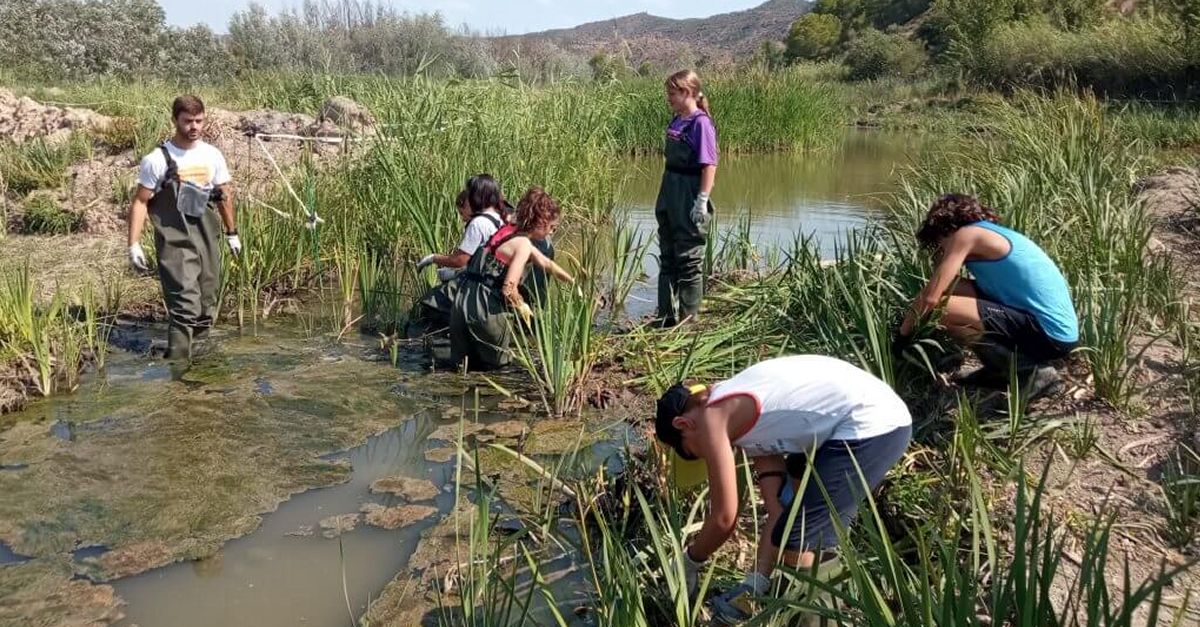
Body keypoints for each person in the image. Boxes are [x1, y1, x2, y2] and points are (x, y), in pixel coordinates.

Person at [654, 355, 912, 624]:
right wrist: (755, 583)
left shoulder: (712, 417)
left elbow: (724, 518)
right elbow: (777, 508)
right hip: (847, 426)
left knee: (801, 539)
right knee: (794, 501)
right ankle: (792, 588)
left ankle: (821, 616)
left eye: (692, 453)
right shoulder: (740, 418)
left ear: (684, 425)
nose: (704, 457)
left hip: (874, 425)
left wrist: (691, 561)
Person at [896, 193, 1079, 397]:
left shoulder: (965, 235)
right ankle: (1000, 370)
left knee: (940, 308)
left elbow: (931, 297)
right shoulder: (987, 233)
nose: (938, 247)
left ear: (943, 229)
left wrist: (902, 337)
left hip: (1049, 335)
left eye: (937, 242)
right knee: (951, 290)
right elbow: (941, 285)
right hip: (1053, 330)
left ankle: (1031, 372)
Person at [127, 95, 240, 360]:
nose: (194, 127)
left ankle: (197, 365)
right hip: (175, 241)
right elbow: (141, 202)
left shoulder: (212, 155)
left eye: (199, 121)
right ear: (175, 120)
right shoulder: (156, 159)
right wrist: (133, 244)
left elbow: (224, 195)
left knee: (206, 304)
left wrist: (232, 233)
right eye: (188, 121)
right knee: (185, 307)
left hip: (207, 239)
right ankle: (178, 376)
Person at [450, 187, 574, 370]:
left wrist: (572, 281)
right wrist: (523, 307)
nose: (551, 234)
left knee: (461, 367)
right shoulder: (523, 245)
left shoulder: (509, 230)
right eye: (551, 228)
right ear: (540, 222)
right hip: (483, 308)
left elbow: (545, 262)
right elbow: (508, 289)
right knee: (498, 368)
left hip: (461, 300)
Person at [656, 69, 718, 326]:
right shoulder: (677, 120)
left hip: (688, 193)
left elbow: (709, 165)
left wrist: (702, 199)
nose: (668, 98)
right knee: (667, 255)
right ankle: (665, 318)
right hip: (669, 191)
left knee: (689, 258)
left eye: (672, 93)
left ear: (687, 92)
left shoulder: (700, 123)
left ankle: (688, 323)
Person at [416, 176, 506, 328]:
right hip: (492, 283)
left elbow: (460, 260)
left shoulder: (478, 223)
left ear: (477, 196)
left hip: (478, 288)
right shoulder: (498, 219)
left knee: (430, 303)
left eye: (470, 193)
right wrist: (454, 274)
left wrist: (433, 258)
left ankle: (452, 336)